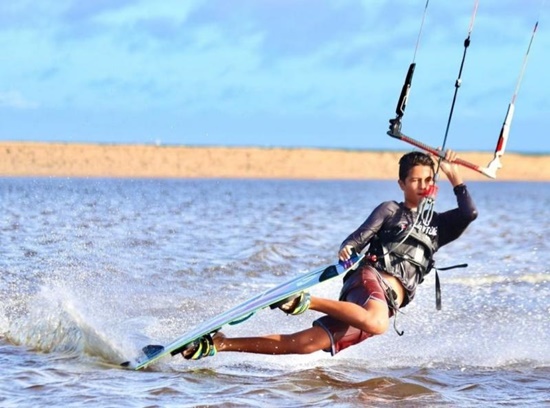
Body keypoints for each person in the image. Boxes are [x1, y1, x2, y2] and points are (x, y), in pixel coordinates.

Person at [182, 150, 478, 360]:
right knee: (377, 324)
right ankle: (305, 301)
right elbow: (356, 240)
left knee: (305, 345)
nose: (422, 185)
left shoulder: (439, 226)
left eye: (428, 180)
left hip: (382, 305)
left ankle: (220, 345)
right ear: (402, 183)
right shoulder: (391, 210)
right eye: (415, 180)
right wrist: (348, 249)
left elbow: (470, 212)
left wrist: (456, 178)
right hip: (369, 281)